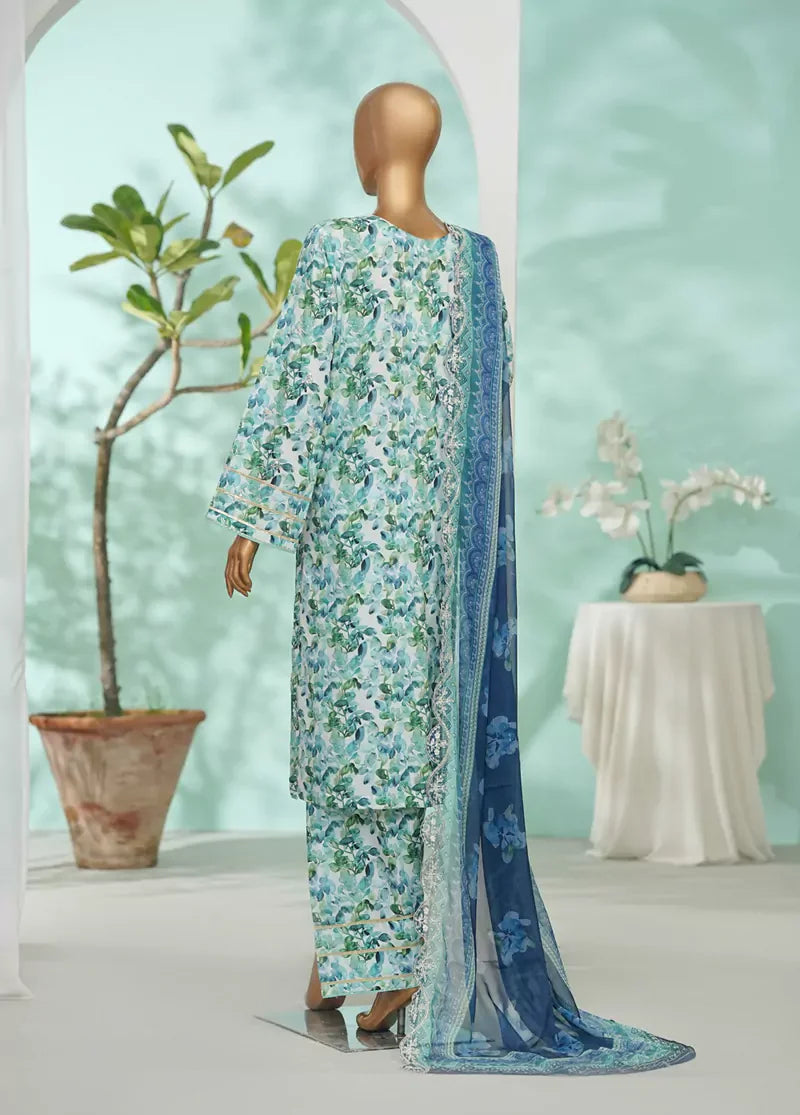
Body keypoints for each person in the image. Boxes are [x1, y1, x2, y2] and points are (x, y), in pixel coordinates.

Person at [206, 82, 695, 1074]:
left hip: (355, 552)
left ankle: (369, 959)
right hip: (440, 560)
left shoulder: (337, 251)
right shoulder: (474, 265)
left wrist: (256, 514)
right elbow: (494, 402)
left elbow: (298, 382)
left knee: (353, 751)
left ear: (372, 146)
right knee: (409, 752)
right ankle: (366, 956)